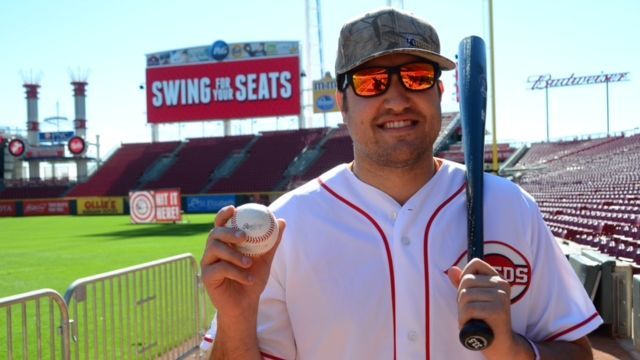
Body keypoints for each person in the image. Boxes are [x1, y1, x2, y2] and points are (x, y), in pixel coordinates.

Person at [200, 7, 602, 359]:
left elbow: (577, 353)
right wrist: (236, 319)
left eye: (416, 77)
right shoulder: (290, 225)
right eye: (372, 81)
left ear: (440, 93)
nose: (396, 99)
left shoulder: (509, 206)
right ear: (341, 103)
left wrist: (513, 351)